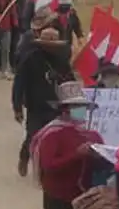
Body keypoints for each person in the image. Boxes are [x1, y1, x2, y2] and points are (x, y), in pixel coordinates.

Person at [30, 81, 104, 209]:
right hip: (57, 193)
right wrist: (76, 154)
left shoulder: (94, 135)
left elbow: (102, 163)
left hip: (84, 194)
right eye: (76, 107)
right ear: (65, 110)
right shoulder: (52, 135)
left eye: (83, 107)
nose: (81, 111)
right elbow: (49, 165)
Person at [13, 26, 75, 177]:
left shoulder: (62, 61)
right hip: (36, 106)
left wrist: (75, 102)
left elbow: (70, 81)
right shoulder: (30, 59)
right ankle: (24, 156)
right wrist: (17, 107)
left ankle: (45, 168)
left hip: (57, 105)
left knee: (53, 138)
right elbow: (19, 83)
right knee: (33, 135)